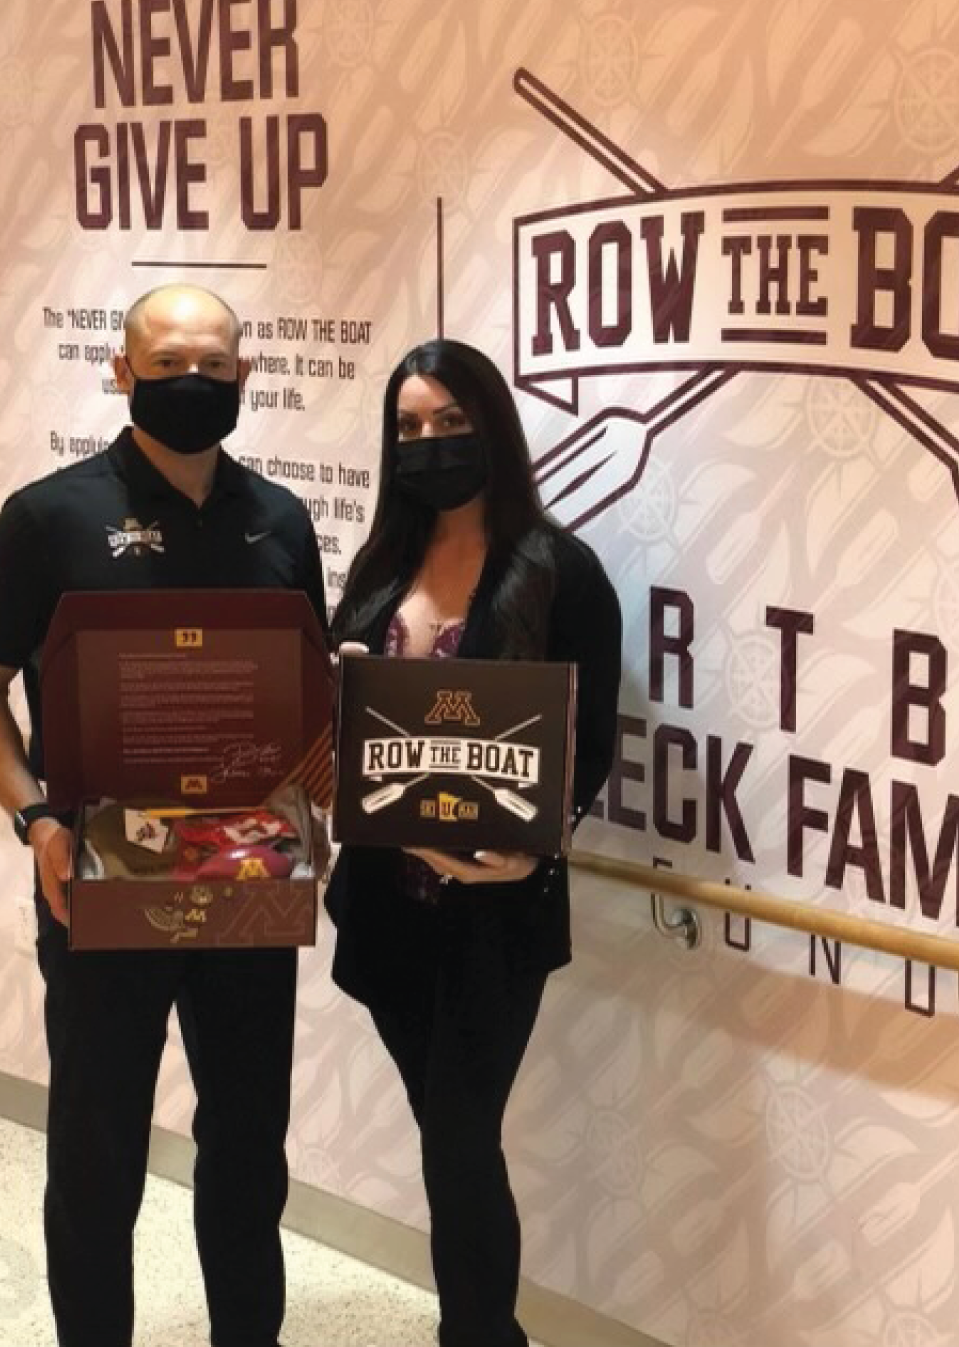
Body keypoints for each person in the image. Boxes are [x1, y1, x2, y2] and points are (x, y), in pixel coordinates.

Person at [0, 284, 326, 1347]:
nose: (190, 383)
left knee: (250, 1143)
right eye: (164, 365)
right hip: (98, 875)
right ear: (121, 372)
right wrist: (35, 820)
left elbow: (303, 706)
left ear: (247, 377)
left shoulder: (281, 520)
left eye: (212, 365)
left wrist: (317, 809)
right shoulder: (47, 518)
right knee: (98, 1148)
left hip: (249, 875)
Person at [326, 338, 622, 1347]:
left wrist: (532, 848)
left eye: (450, 425)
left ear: (491, 426)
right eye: (409, 429)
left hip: (495, 917)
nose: (429, 445)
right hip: (384, 909)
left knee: (458, 1139)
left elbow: (589, 747)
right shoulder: (379, 565)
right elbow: (341, 720)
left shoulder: (561, 570)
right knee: (449, 1136)